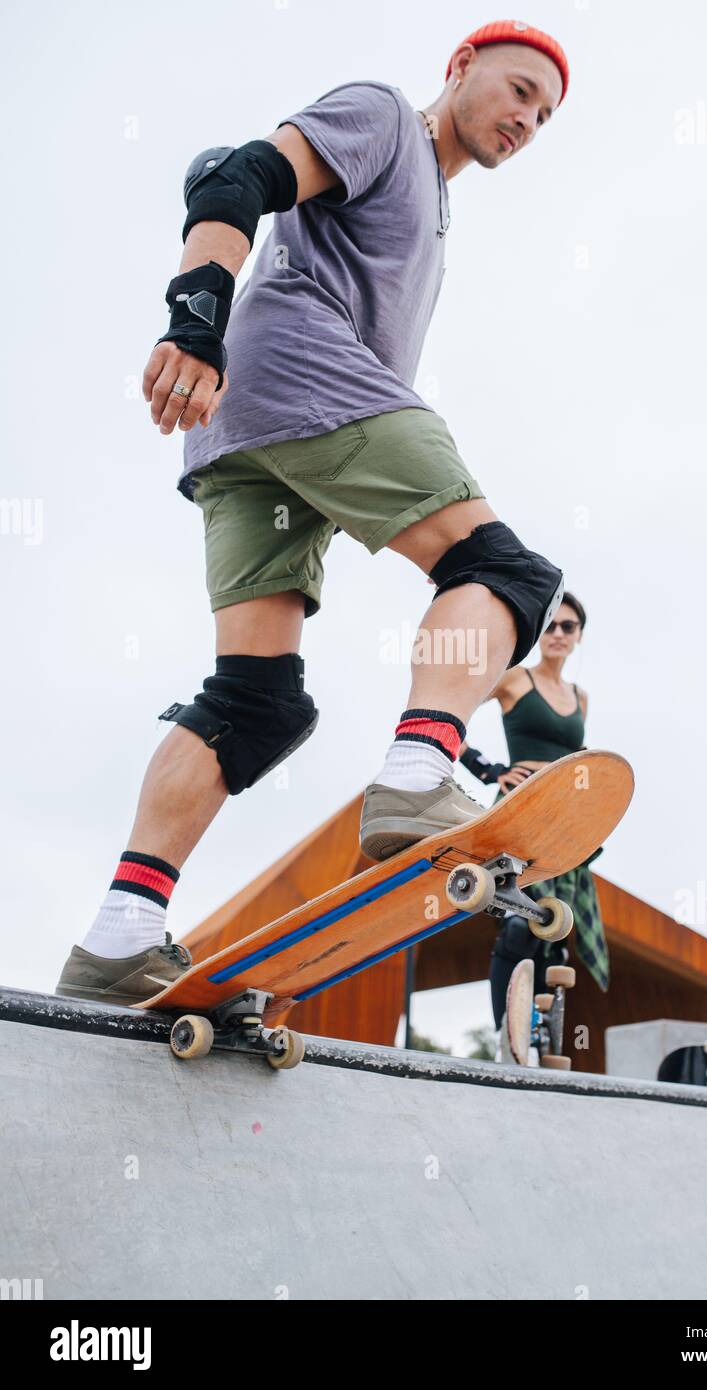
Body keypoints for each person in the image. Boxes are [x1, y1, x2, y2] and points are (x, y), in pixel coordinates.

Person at [55, 21, 572, 1006]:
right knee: (503, 573)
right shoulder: (383, 120)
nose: (524, 120)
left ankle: (119, 934)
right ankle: (421, 768)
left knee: (257, 701)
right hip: (296, 378)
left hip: (241, 439)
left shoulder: (436, 215)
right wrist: (193, 322)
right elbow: (234, 175)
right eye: (515, 92)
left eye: (541, 115)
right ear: (458, 67)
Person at [458, 593, 609, 1032]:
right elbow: (453, 714)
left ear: (579, 636)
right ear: (540, 632)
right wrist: (490, 770)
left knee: (553, 930)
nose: (559, 634)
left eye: (569, 627)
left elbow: (580, 760)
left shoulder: (581, 698)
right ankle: (506, 1032)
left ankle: (537, 1038)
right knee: (519, 922)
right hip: (522, 814)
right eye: (552, 625)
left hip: (566, 820)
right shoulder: (514, 680)